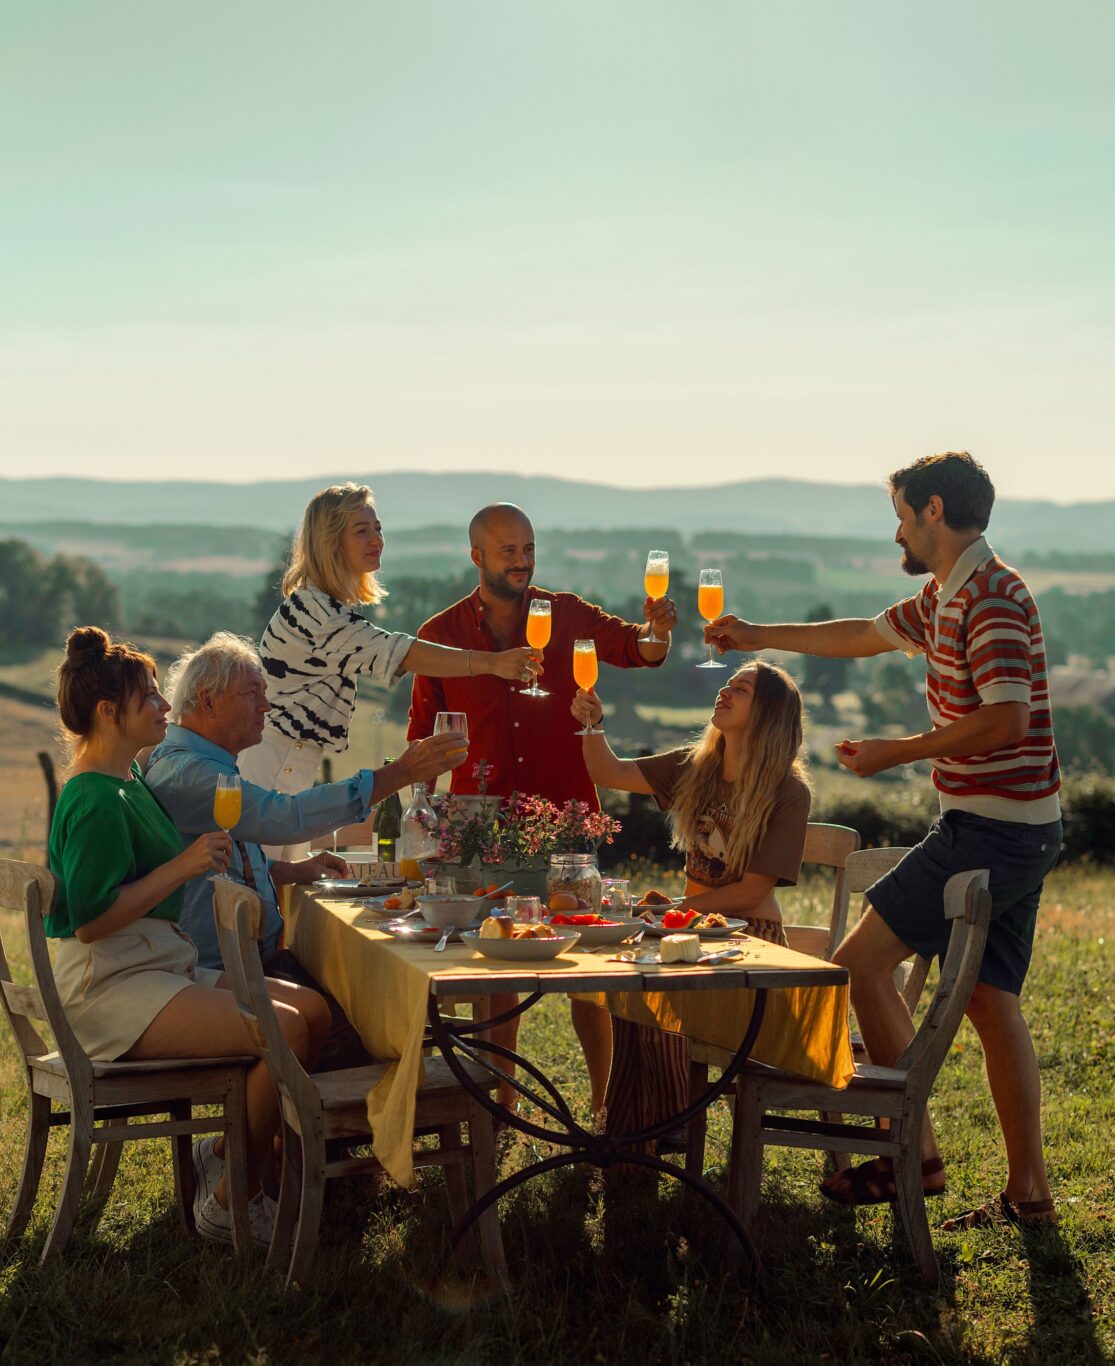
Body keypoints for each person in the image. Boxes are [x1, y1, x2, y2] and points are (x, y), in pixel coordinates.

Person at [704, 451, 1064, 1230]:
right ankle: (1029, 1195)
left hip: (989, 831)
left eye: (901, 513)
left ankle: (917, 1153)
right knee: (995, 1007)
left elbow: (1009, 719)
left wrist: (898, 751)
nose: (896, 528)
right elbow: (861, 636)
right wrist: (756, 634)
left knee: (856, 968)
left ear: (933, 510)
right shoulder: (946, 594)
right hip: (1018, 828)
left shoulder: (992, 599)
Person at [43, 626, 323, 1248]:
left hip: (151, 969)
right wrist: (184, 865)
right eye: (150, 698)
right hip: (113, 987)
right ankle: (229, 1202)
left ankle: (227, 1153)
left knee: (314, 1010)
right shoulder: (95, 799)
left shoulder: (127, 781)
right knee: (290, 1030)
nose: (166, 706)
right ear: (109, 713)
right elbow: (90, 921)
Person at [409, 502, 679, 1117]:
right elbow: (420, 736)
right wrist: (421, 817)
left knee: (589, 965)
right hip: (482, 829)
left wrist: (658, 633)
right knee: (494, 965)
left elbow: (638, 650)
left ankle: (604, 1102)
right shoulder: (442, 635)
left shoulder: (569, 614)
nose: (523, 561)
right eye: (508, 551)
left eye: (528, 549)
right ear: (477, 555)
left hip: (566, 817)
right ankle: (499, 1104)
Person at [144, 631, 469, 1011]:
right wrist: (398, 774)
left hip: (243, 961)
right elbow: (285, 817)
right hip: (215, 972)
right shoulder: (192, 774)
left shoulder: (201, 762)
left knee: (364, 984)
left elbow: (220, 859)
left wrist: (286, 870)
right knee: (368, 1003)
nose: (266, 706)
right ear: (208, 701)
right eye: (253, 694)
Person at [571, 661, 813, 1143]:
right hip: (687, 935)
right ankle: (646, 1125)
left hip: (748, 942)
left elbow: (751, 892)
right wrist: (592, 725)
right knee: (629, 981)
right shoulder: (695, 764)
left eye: (740, 689)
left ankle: (664, 1121)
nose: (724, 690)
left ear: (766, 712)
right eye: (727, 684)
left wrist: (673, 908)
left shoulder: (788, 791)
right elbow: (606, 771)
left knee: (649, 986)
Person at [239, 483, 539, 858]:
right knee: (258, 892)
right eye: (361, 531)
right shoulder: (313, 613)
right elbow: (399, 652)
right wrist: (492, 663)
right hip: (269, 772)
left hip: (291, 773)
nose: (376, 539)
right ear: (330, 543)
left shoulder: (324, 606)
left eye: (377, 528)